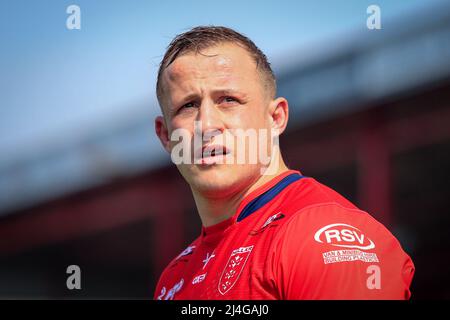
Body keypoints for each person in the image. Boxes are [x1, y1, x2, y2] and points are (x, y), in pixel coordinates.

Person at [153, 25, 415, 300]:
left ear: (276, 118)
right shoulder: (174, 279)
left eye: (228, 100)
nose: (207, 124)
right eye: (188, 106)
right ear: (166, 136)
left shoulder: (323, 233)